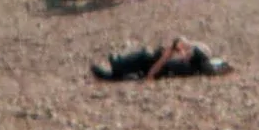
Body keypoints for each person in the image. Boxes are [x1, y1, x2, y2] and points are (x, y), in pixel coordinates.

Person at [91, 37, 232, 81]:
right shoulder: (195, 63)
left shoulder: (191, 64)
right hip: (161, 66)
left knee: (145, 55)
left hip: (158, 68)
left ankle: (118, 64)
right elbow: (200, 48)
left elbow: (161, 63)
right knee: (147, 54)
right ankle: (117, 68)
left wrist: (150, 75)